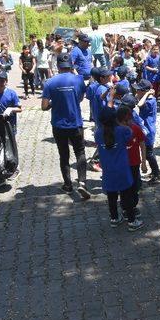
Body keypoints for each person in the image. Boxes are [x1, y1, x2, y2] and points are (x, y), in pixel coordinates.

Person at [41, 53, 90, 200]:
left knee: (64, 155)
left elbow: (44, 106)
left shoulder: (49, 82)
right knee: (80, 152)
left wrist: (54, 102)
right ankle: (82, 182)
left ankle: (68, 185)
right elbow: (80, 98)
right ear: (71, 65)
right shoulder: (79, 79)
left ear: (58, 66)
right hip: (75, 123)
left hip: (58, 125)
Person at [96, 106, 144, 231]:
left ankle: (114, 218)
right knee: (126, 195)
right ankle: (132, 221)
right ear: (115, 119)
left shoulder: (98, 133)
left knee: (111, 196)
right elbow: (129, 133)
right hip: (122, 169)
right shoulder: (122, 131)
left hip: (107, 169)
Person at [132, 80, 160, 184]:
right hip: (146, 128)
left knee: (149, 154)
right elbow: (137, 99)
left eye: (138, 90)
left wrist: (147, 93)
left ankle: (157, 172)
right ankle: (155, 171)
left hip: (148, 130)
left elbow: (139, 105)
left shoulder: (149, 101)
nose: (136, 92)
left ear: (144, 92)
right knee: (148, 152)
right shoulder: (147, 98)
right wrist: (143, 94)